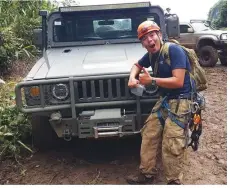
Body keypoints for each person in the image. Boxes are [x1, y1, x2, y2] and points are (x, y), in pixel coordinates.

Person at [126, 20, 195, 185]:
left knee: (172, 141)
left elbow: (178, 81)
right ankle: (147, 174)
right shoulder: (151, 54)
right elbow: (136, 65)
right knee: (149, 133)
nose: (149, 40)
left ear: (159, 35)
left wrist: (152, 80)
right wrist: (131, 78)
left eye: (152, 35)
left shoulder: (174, 51)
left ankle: (173, 181)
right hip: (165, 100)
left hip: (182, 100)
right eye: (145, 38)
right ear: (142, 44)